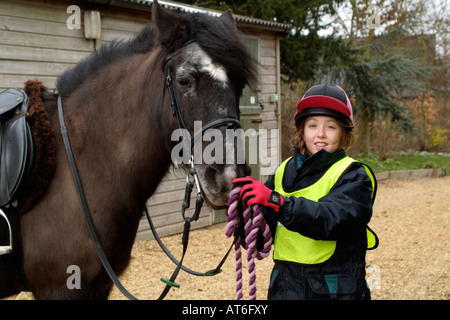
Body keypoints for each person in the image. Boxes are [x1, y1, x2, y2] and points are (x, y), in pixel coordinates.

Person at [233, 83, 378, 300]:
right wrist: (245, 215)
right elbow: (262, 238)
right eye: (312, 125)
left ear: (343, 133)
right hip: (285, 289)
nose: (320, 134)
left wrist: (276, 201)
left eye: (331, 127)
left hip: (334, 292)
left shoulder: (354, 175)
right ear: (302, 130)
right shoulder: (283, 171)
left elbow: (329, 219)